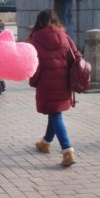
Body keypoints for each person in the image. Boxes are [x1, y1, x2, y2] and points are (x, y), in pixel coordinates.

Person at [29, 9, 79, 167]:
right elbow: (76, 57)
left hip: (46, 83)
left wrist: (34, 81)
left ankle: (67, 150)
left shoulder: (36, 40)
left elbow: (35, 65)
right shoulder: (65, 37)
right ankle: (45, 142)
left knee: (56, 114)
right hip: (64, 82)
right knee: (54, 111)